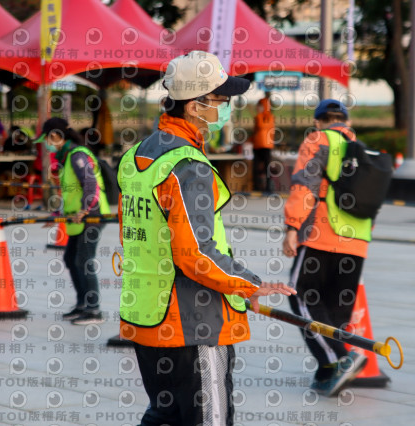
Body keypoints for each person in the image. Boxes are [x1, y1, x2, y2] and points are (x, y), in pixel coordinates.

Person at [117, 51, 296, 425]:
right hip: (192, 321)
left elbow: (131, 232)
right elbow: (195, 252)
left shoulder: (136, 156)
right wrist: (249, 283)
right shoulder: (187, 167)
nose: (228, 108)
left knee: (164, 414)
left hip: (145, 314)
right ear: (196, 106)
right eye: (221, 100)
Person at [282, 99, 371, 397]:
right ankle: (326, 371)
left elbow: (304, 185)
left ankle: (342, 358)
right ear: (345, 120)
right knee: (335, 309)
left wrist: (292, 228)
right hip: (357, 240)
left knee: (301, 298)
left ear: (319, 121)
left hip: (321, 233)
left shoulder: (317, 139)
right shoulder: (362, 149)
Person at [35, 117, 111, 325]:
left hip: (91, 216)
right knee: (71, 259)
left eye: (47, 139)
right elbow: (69, 191)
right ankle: (82, 305)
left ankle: (94, 310)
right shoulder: (66, 156)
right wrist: (56, 215)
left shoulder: (77, 155)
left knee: (84, 261)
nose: (46, 144)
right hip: (77, 217)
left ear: (56, 136)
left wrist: (85, 209)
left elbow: (90, 184)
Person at [252, 92, 275, 192]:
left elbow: (261, 127)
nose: (258, 108)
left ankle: (267, 187)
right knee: (257, 167)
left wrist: (258, 117)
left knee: (265, 168)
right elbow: (256, 131)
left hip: (265, 146)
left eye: (260, 106)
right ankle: (257, 186)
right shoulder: (263, 117)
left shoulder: (265, 117)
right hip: (259, 145)